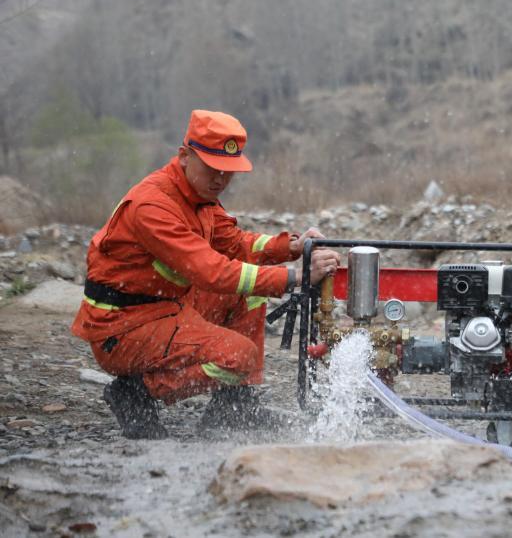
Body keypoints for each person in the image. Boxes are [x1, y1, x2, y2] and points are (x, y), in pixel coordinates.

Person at [71, 110, 342, 439]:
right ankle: (137, 393)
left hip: (161, 306)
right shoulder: (153, 206)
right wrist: (295, 277)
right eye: (213, 169)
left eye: (228, 172)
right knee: (239, 356)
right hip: (125, 328)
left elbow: (234, 243)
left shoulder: (198, 196)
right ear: (184, 156)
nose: (221, 180)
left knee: (250, 289)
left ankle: (233, 407)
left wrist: (293, 247)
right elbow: (210, 270)